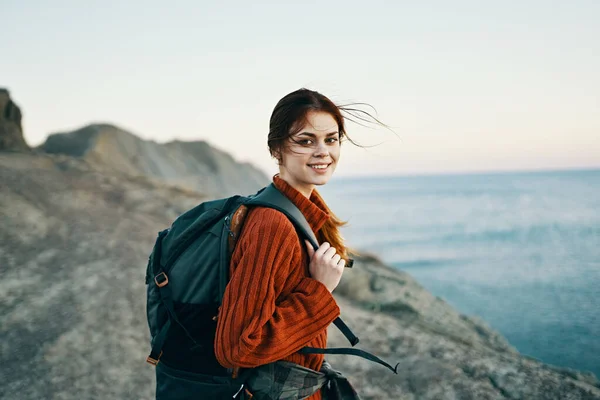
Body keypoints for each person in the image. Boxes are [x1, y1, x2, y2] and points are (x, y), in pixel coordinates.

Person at [214, 88, 382, 399]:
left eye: (331, 139)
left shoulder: (301, 212)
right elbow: (237, 347)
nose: (323, 152)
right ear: (277, 149)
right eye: (306, 141)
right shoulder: (272, 225)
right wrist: (319, 291)